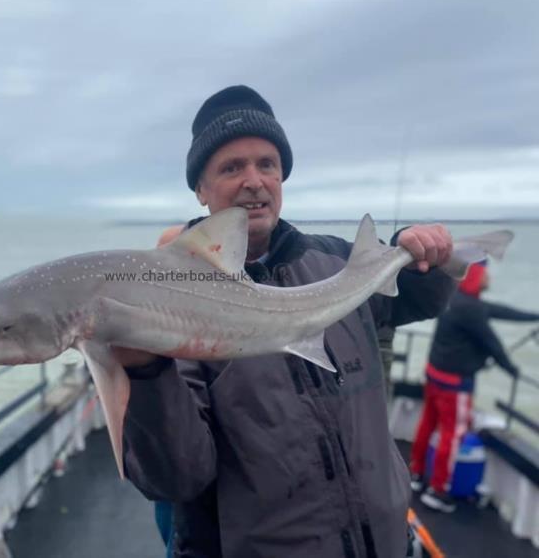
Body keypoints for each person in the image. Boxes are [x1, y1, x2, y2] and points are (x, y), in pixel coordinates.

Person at [114, 85, 456, 558]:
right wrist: (145, 371)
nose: (254, 180)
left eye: (267, 164)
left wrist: (423, 255)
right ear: (200, 189)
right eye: (231, 167)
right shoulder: (166, 301)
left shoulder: (336, 261)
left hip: (382, 541)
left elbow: (415, 301)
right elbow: (177, 475)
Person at [410, 261, 539, 513]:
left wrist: (534, 316)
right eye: (485, 272)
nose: (488, 277)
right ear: (476, 275)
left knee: (428, 423)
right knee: (452, 434)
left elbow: (496, 310)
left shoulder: (457, 299)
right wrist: (511, 369)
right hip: (454, 385)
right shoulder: (471, 310)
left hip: (435, 376)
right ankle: (438, 490)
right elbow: (492, 344)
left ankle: (416, 475)